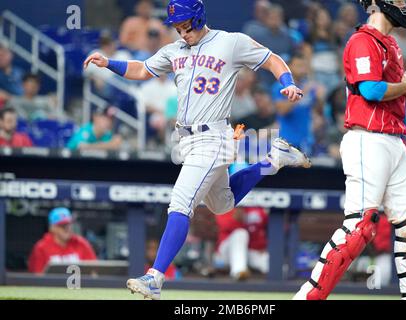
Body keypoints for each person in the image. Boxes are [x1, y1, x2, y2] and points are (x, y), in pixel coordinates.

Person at [84, 0, 311, 300]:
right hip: (187, 141)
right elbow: (142, 70)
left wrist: (288, 82)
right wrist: (108, 63)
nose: (182, 33)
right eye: (177, 28)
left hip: (214, 137)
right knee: (222, 204)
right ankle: (274, 159)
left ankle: (155, 278)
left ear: (200, 17)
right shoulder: (175, 49)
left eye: (186, 26)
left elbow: (272, 59)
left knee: (180, 202)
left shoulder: (230, 43)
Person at [294, 0, 406, 300]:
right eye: (399, 0)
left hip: (393, 139)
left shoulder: (391, 43)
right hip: (368, 137)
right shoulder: (362, 40)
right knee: (359, 227)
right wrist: (404, 87)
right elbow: (371, 90)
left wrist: (402, 87)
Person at [271, 54, 326, 155]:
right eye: (299, 66)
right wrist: (302, 92)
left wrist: (320, 98)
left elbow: (319, 111)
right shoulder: (280, 87)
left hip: (306, 140)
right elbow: (282, 111)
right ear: (289, 67)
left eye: (304, 66)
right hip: (286, 140)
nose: (302, 69)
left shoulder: (308, 86)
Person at [28, 207, 97, 274]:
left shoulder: (81, 243)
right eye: (62, 226)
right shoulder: (41, 247)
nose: (67, 229)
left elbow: (94, 272)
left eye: (68, 225)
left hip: (79, 284)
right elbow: (38, 276)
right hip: (53, 285)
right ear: (52, 228)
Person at [215, 206, 269, 281]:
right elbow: (225, 225)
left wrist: (265, 247)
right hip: (226, 251)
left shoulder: (257, 205)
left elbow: (266, 228)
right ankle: (238, 271)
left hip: (250, 251)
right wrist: (239, 219)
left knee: (272, 264)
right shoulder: (227, 202)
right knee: (240, 233)